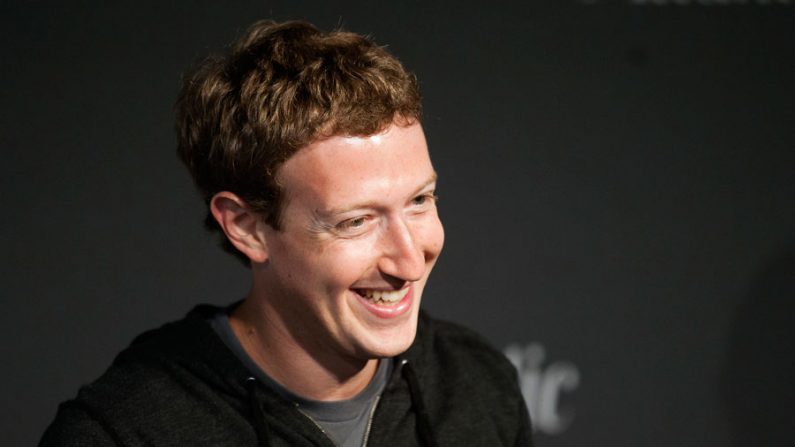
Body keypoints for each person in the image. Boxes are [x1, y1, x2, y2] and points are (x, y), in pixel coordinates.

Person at [40, 20, 533, 446]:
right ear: (247, 227)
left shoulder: (477, 385)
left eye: (420, 201)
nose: (408, 261)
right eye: (356, 221)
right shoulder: (122, 433)